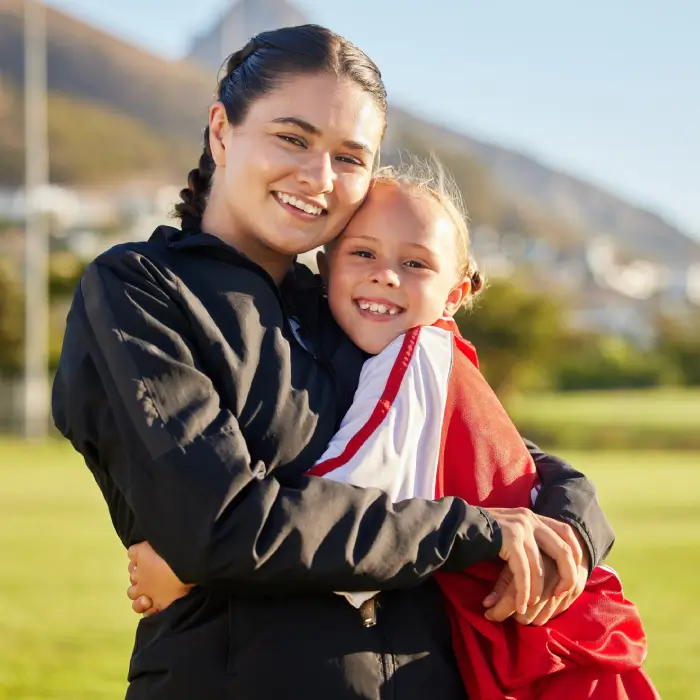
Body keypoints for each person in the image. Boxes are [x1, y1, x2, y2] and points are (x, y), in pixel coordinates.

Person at [52, 24, 614, 700]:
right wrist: (477, 530)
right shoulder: (141, 291)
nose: (318, 178)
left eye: (350, 157)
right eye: (293, 138)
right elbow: (224, 527)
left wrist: (572, 528)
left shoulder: (351, 303)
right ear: (222, 132)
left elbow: (496, 456)